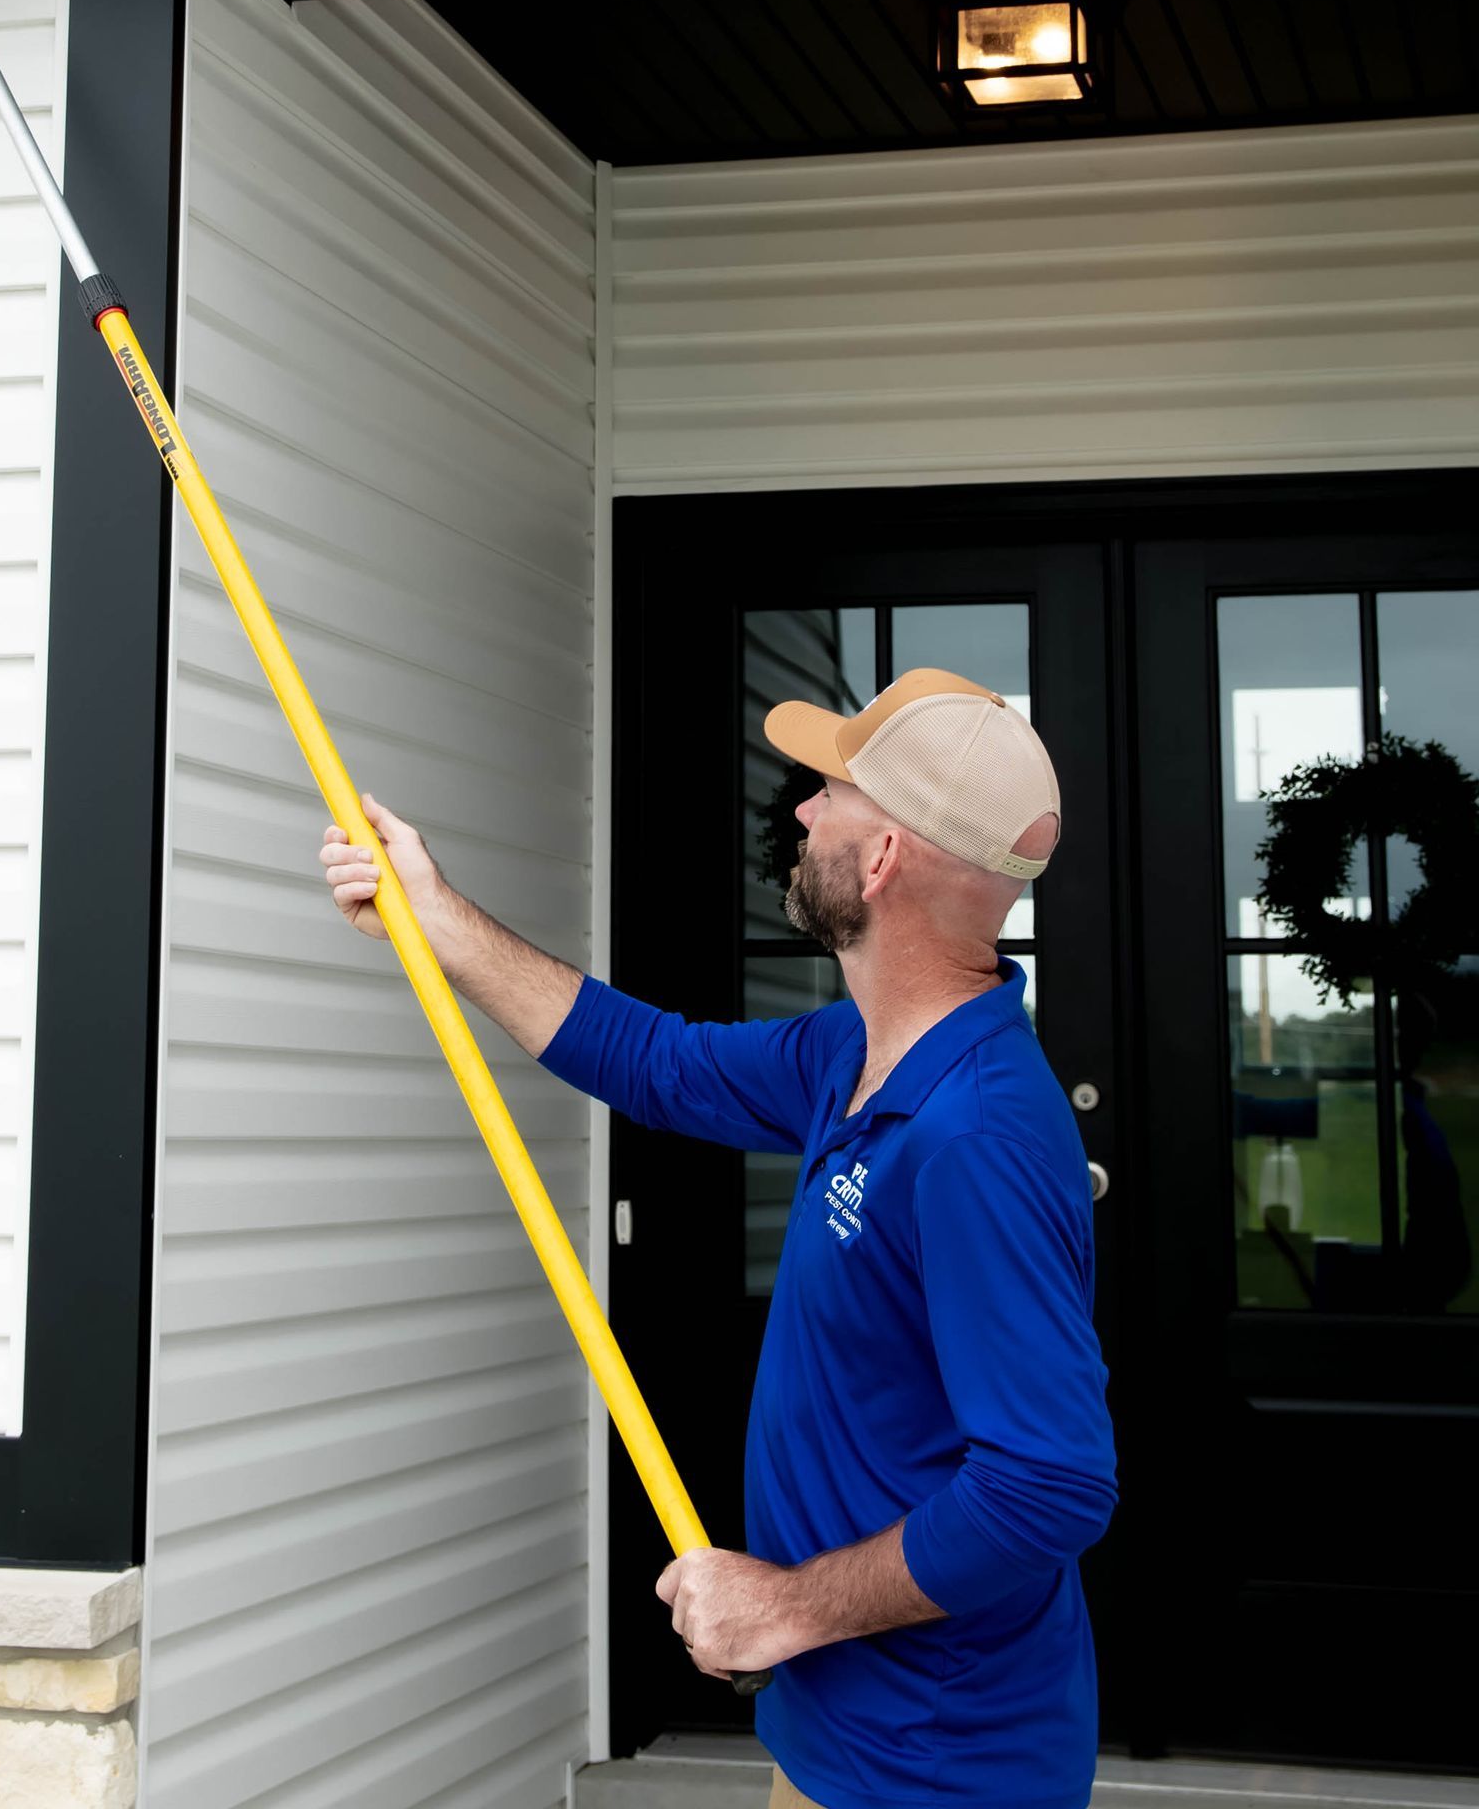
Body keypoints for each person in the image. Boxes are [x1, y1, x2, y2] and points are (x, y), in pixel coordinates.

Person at [320, 667, 1117, 1809]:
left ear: (882, 858)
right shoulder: (860, 1055)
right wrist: (433, 913)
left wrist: (785, 1607)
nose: (802, 812)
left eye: (829, 795)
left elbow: (1048, 1489)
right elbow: (654, 1062)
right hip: (843, 1736)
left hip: (937, 1768)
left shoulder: (974, 1135)